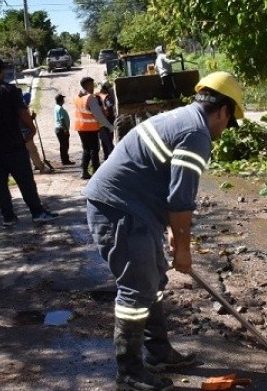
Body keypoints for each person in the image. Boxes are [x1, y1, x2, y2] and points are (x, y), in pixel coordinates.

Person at [83, 71, 245, 391]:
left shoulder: (184, 119)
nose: (225, 131)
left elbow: (172, 192)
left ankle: (158, 352)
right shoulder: (196, 133)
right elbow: (180, 199)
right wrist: (183, 248)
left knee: (153, 280)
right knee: (136, 289)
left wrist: (174, 232)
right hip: (120, 211)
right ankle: (129, 371)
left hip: (131, 209)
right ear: (223, 111)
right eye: (228, 122)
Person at [0, 58, 58, 227]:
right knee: (26, 181)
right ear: (1, 72)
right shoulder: (10, 90)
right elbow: (22, 113)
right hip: (13, 144)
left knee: (0, 185)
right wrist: (32, 129)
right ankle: (37, 212)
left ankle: (8, 217)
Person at [75, 76, 114, 180]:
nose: (93, 87)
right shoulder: (90, 98)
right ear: (88, 85)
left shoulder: (78, 97)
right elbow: (99, 116)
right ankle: (96, 172)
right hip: (90, 128)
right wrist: (109, 126)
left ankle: (84, 171)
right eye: (92, 85)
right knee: (94, 150)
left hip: (81, 128)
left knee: (86, 150)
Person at [97, 81, 116, 160]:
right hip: (107, 120)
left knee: (103, 139)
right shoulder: (107, 96)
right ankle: (111, 157)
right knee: (109, 139)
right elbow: (109, 106)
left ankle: (106, 156)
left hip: (99, 121)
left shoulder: (97, 95)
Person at [53, 94, 74, 165]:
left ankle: (64, 160)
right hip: (61, 129)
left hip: (59, 129)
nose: (64, 100)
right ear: (61, 100)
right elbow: (62, 119)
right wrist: (66, 129)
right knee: (65, 145)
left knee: (63, 145)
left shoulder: (56, 107)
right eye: (63, 99)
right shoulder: (60, 108)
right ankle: (65, 160)